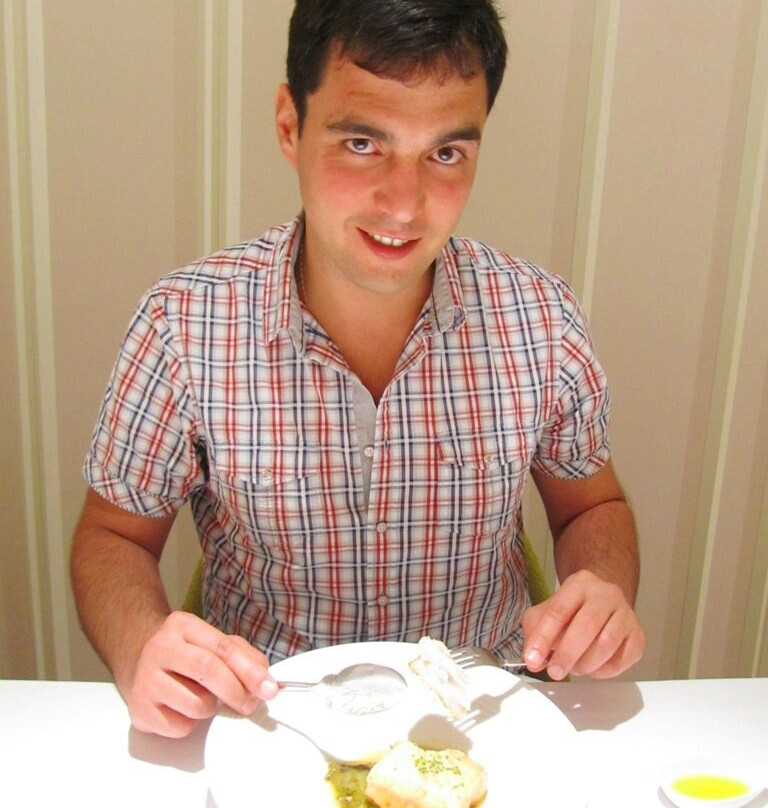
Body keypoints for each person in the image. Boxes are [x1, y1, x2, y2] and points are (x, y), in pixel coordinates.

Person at [70, 0, 644, 739]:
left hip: (486, 724)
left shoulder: (540, 319)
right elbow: (113, 536)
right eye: (363, 143)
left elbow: (592, 506)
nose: (404, 206)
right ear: (290, 124)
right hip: (271, 726)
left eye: (445, 153)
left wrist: (601, 589)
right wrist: (139, 648)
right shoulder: (184, 323)